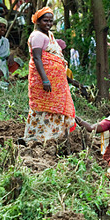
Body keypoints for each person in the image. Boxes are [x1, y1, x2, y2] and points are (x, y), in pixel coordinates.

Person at [20, 7, 77, 143]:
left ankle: (53, 138)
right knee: (42, 109)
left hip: (57, 84)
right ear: (37, 21)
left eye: (51, 21)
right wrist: (45, 80)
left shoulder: (48, 35)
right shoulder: (37, 36)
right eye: (45, 21)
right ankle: (35, 138)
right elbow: (38, 58)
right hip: (43, 82)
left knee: (56, 110)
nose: (49, 24)